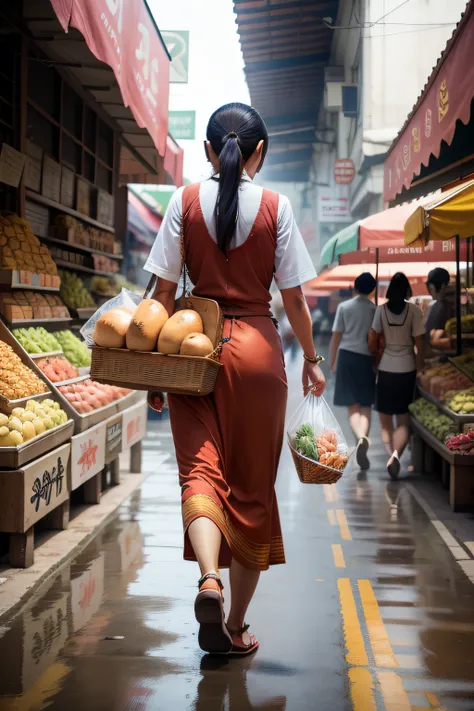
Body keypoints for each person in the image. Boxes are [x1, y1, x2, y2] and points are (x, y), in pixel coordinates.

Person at [143, 103, 326, 656]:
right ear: (260, 153)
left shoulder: (182, 200)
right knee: (251, 489)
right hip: (258, 357)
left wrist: (155, 368)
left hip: (190, 348)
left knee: (199, 473)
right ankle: (237, 626)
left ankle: (208, 579)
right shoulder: (277, 205)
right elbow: (292, 297)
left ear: (206, 151)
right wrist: (312, 361)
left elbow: (160, 296)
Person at [369, 272, 425, 479]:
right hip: (407, 368)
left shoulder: (380, 311)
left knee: (385, 422)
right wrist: (421, 368)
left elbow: (373, 338)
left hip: (385, 368)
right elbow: (420, 343)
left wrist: (374, 363)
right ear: (407, 291)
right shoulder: (414, 311)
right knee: (403, 420)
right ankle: (395, 455)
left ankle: (390, 454)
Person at [330, 272, 377, 470]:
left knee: (352, 406)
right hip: (368, 359)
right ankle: (363, 436)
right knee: (365, 405)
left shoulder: (344, 307)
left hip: (347, 357)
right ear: (372, 289)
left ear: (355, 288)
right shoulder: (376, 310)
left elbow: (336, 336)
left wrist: (332, 361)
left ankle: (360, 437)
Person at [425, 267, 455, 351]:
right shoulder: (440, 305)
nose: (429, 291)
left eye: (430, 287)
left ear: (442, 286)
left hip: (440, 356)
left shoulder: (442, 306)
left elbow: (434, 340)